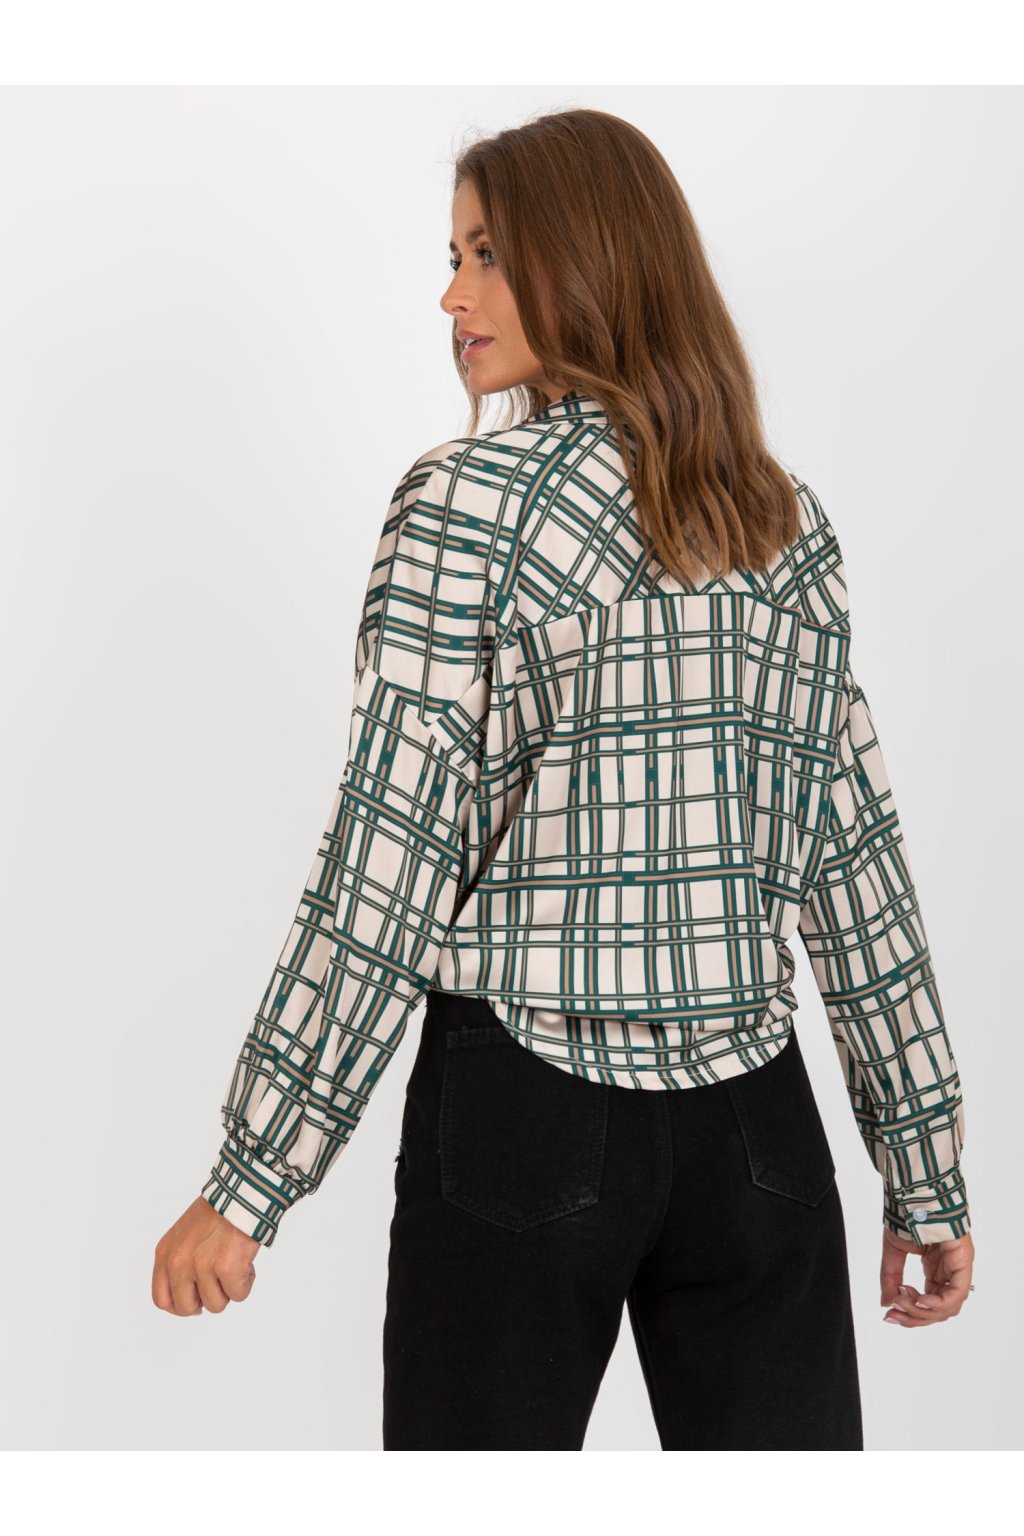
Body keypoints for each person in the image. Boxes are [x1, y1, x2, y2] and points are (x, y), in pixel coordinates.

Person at [152, 107, 975, 1450]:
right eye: (455, 257)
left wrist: (251, 1180)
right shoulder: (780, 524)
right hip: (756, 1131)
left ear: (590, 258)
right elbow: (858, 869)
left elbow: (386, 859)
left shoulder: (464, 507)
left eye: (486, 253)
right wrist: (924, 1170)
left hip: (525, 1110)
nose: (452, 294)